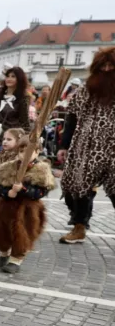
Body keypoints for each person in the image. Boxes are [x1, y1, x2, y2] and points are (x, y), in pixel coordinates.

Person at [56, 47, 115, 244]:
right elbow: (71, 119)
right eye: (103, 65)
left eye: (111, 65)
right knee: (78, 186)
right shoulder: (85, 91)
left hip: (113, 147)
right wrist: (64, 146)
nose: (106, 69)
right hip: (85, 146)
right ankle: (79, 227)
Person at [0, 129, 54, 273]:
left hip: (27, 209)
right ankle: (4, 253)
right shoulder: (8, 167)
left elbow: (41, 192)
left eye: (29, 152)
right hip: (7, 207)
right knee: (2, 232)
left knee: (23, 234)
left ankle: (15, 260)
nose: (25, 155)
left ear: (37, 152)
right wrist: (8, 192)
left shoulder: (41, 170)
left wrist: (24, 189)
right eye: (22, 151)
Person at [0, 67, 30, 132]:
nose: (9, 79)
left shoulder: (23, 97)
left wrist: (27, 135)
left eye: (13, 76)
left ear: (19, 79)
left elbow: (24, 121)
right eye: (7, 76)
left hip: (9, 133)